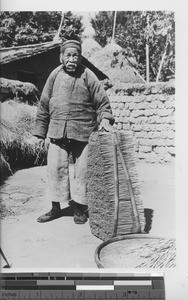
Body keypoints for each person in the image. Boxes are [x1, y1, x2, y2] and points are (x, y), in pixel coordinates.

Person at [34, 39, 114, 224]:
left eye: (75, 55)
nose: (71, 59)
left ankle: (78, 208)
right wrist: (40, 133)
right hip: (57, 131)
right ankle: (55, 208)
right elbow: (44, 104)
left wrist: (105, 119)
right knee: (55, 170)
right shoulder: (54, 75)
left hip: (83, 131)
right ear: (61, 57)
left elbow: (102, 103)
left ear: (80, 57)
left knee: (82, 171)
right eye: (68, 55)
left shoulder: (88, 75)